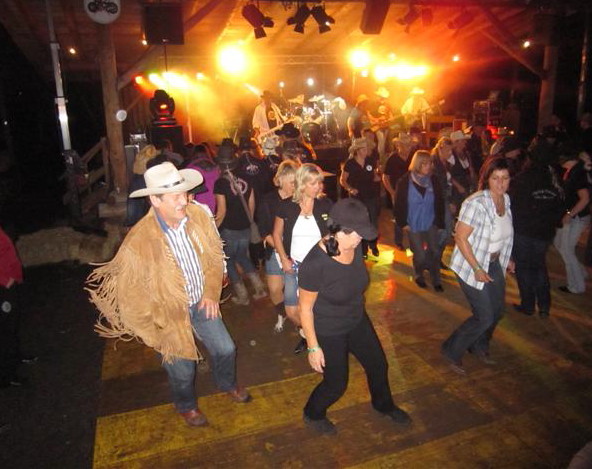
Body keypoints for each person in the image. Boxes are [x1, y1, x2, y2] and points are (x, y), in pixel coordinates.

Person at [87, 162, 251, 427]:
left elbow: (213, 256)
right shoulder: (139, 240)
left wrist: (211, 292)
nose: (184, 201)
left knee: (226, 348)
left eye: (184, 193)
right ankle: (186, 406)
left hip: (201, 301)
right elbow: (129, 297)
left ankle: (226, 383)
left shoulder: (198, 215)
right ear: (155, 200)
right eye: (175, 197)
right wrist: (155, 332)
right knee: (183, 369)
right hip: (169, 315)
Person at [299, 198, 412, 435]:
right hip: (329, 328)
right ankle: (313, 413)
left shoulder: (354, 246)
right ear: (339, 230)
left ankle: (383, 405)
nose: (362, 238)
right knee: (336, 384)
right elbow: (305, 308)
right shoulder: (315, 263)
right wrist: (313, 346)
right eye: (358, 233)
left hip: (356, 319)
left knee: (378, 365)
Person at [441, 157, 515, 375]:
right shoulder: (475, 203)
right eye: (495, 178)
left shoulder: (506, 200)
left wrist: (508, 258)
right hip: (471, 264)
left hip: (494, 263)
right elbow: (461, 238)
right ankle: (451, 350)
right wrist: (477, 269)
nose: (500, 183)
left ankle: (479, 345)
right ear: (486, 179)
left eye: (505, 178)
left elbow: (503, 233)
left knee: (498, 311)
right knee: (484, 316)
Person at [273, 163, 332, 354]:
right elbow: (276, 234)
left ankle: (317, 340)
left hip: (318, 267)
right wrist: (284, 259)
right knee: (292, 311)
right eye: (313, 183)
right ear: (302, 183)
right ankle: (307, 334)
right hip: (294, 265)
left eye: (319, 183)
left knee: (317, 307)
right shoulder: (286, 205)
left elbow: (332, 233)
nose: (318, 187)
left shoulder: (325, 204)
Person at [510, 141, 564, 317]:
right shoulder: (554, 179)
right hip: (544, 233)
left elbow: (514, 206)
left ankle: (528, 305)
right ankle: (544, 306)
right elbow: (560, 206)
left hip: (524, 232)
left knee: (524, 268)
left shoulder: (522, 178)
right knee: (539, 267)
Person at [214, 139, 267, 304]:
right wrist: (247, 222)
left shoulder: (220, 183)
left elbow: (221, 211)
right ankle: (260, 288)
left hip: (228, 229)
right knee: (243, 257)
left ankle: (243, 296)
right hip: (245, 227)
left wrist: (213, 230)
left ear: (220, 164)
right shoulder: (246, 179)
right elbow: (251, 204)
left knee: (229, 261)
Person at [257, 160, 299, 332]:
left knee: (294, 290)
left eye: (296, 182)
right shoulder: (268, 200)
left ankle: (298, 320)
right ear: (280, 180)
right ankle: (282, 314)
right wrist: (281, 250)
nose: (294, 186)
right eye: (291, 182)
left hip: (296, 250)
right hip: (275, 248)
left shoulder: (299, 199)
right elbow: (264, 230)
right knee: (275, 289)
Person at [393, 150, 445, 290]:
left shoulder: (433, 180)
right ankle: (419, 273)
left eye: (430, 163)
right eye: (425, 164)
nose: (429, 166)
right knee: (420, 254)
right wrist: (402, 223)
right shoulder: (405, 181)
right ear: (417, 164)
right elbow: (398, 203)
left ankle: (436, 278)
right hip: (413, 222)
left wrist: (440, 222)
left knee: (435, 250)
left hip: (430, 221)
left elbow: (440, 202)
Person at [554, 150, 590, 294]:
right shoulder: (575, 170)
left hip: (577, 217)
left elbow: (585, 198)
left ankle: (576, 286)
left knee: (567, 250)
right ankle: (581, 273)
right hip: (574, 216)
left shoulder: (578, 173)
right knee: (559, 243)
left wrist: (570, 214)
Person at [340, 138, 381, 258]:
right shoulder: (350, 163)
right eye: (364, 149)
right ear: (357, 150)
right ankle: (363, 249)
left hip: (371, 195)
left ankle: (373, 245)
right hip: (357, 198)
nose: (366, 151)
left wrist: (377, 177)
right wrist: (350, 189)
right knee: (359, 222)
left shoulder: (370, 161)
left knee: (372, 222)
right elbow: (343, 180)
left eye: (367, 149)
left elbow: (374, 175)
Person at [383, 136, 410, 250]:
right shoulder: (392, 159)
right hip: (397, 192)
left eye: (409, 145)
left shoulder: (413, 156)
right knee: (399, 217)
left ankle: (413, 239)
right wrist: (392, 193)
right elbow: (385, 177)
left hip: (411, 192)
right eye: (405, 145)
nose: (408, 148)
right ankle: (399, 241)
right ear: (399, 146)